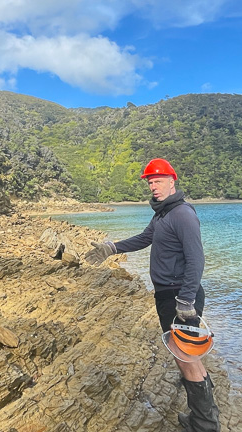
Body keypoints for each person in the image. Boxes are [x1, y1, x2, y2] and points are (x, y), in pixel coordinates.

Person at [84, 158, 220, 432]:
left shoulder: (182, 214)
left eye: (158, 181)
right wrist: (112, 248)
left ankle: (205, 425)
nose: (153, 186)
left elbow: (196, 259)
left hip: (179, 297)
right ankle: (204, 418)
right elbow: (145, 238)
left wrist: (186, 300)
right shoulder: (162, 214)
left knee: (186, 359)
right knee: (186, 357)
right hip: (169, 295)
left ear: (172, 181)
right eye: (150, 182)